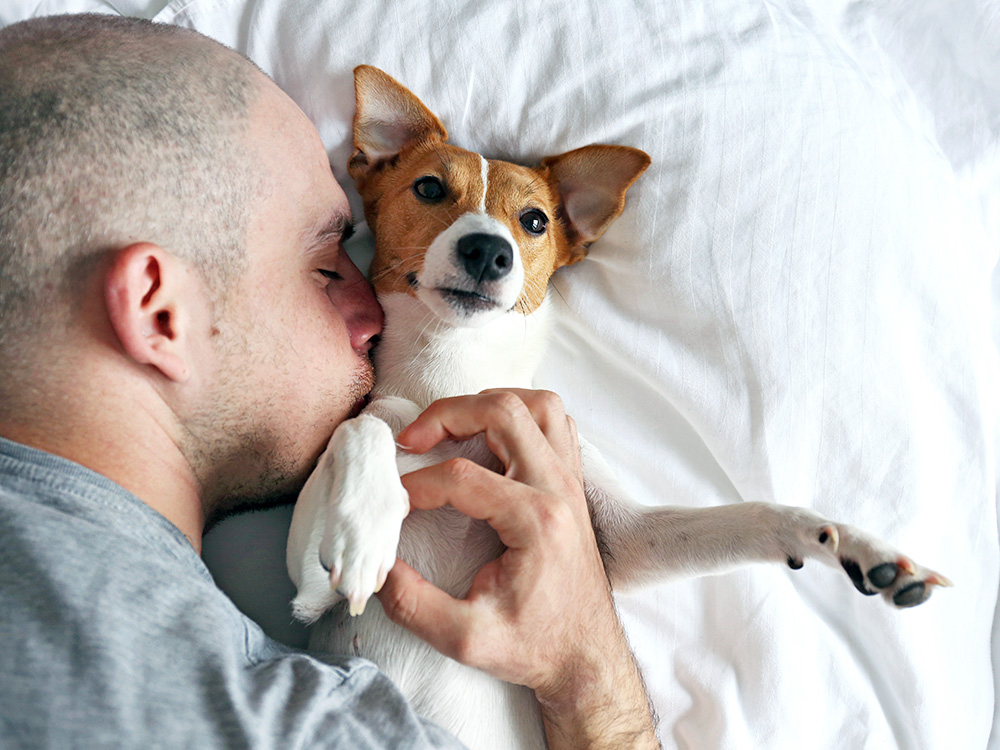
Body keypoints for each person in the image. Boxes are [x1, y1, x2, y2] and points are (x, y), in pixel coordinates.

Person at [0, 13, 659, 749]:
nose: (372, 310)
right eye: (325, 264)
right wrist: (584, 670)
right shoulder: (274, 723)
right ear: (161, 312)